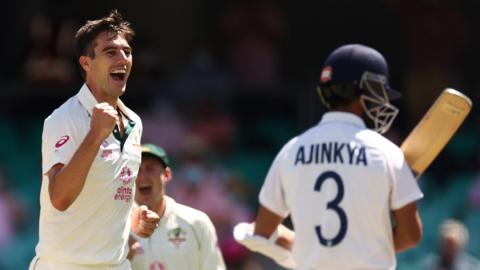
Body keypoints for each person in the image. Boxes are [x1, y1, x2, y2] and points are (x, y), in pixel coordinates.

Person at [235, 44, 424, 269]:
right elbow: (411, 236)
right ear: (364, 90)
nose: (382, 102)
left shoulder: (292, 150)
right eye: (379, 93)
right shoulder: (388, 154)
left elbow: (263, 231)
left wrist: (315, 251)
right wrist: (361, 251)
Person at [29, 10, 160, 270]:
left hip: (117, 265)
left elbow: (111, 186)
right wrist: (95, 135)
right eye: (110, 52)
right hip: (64, 265)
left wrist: (136, 216)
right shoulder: (64, 118)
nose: (123, 58)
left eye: (127, 51)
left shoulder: (134, 122)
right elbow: (61, 198)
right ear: (86, 63)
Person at [129, 143, 226, 270]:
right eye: (136, 169)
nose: (142, 177)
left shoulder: (196, 222)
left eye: (150, 168)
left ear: (167, 175)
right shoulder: (117, 227)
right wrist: (121, 260)